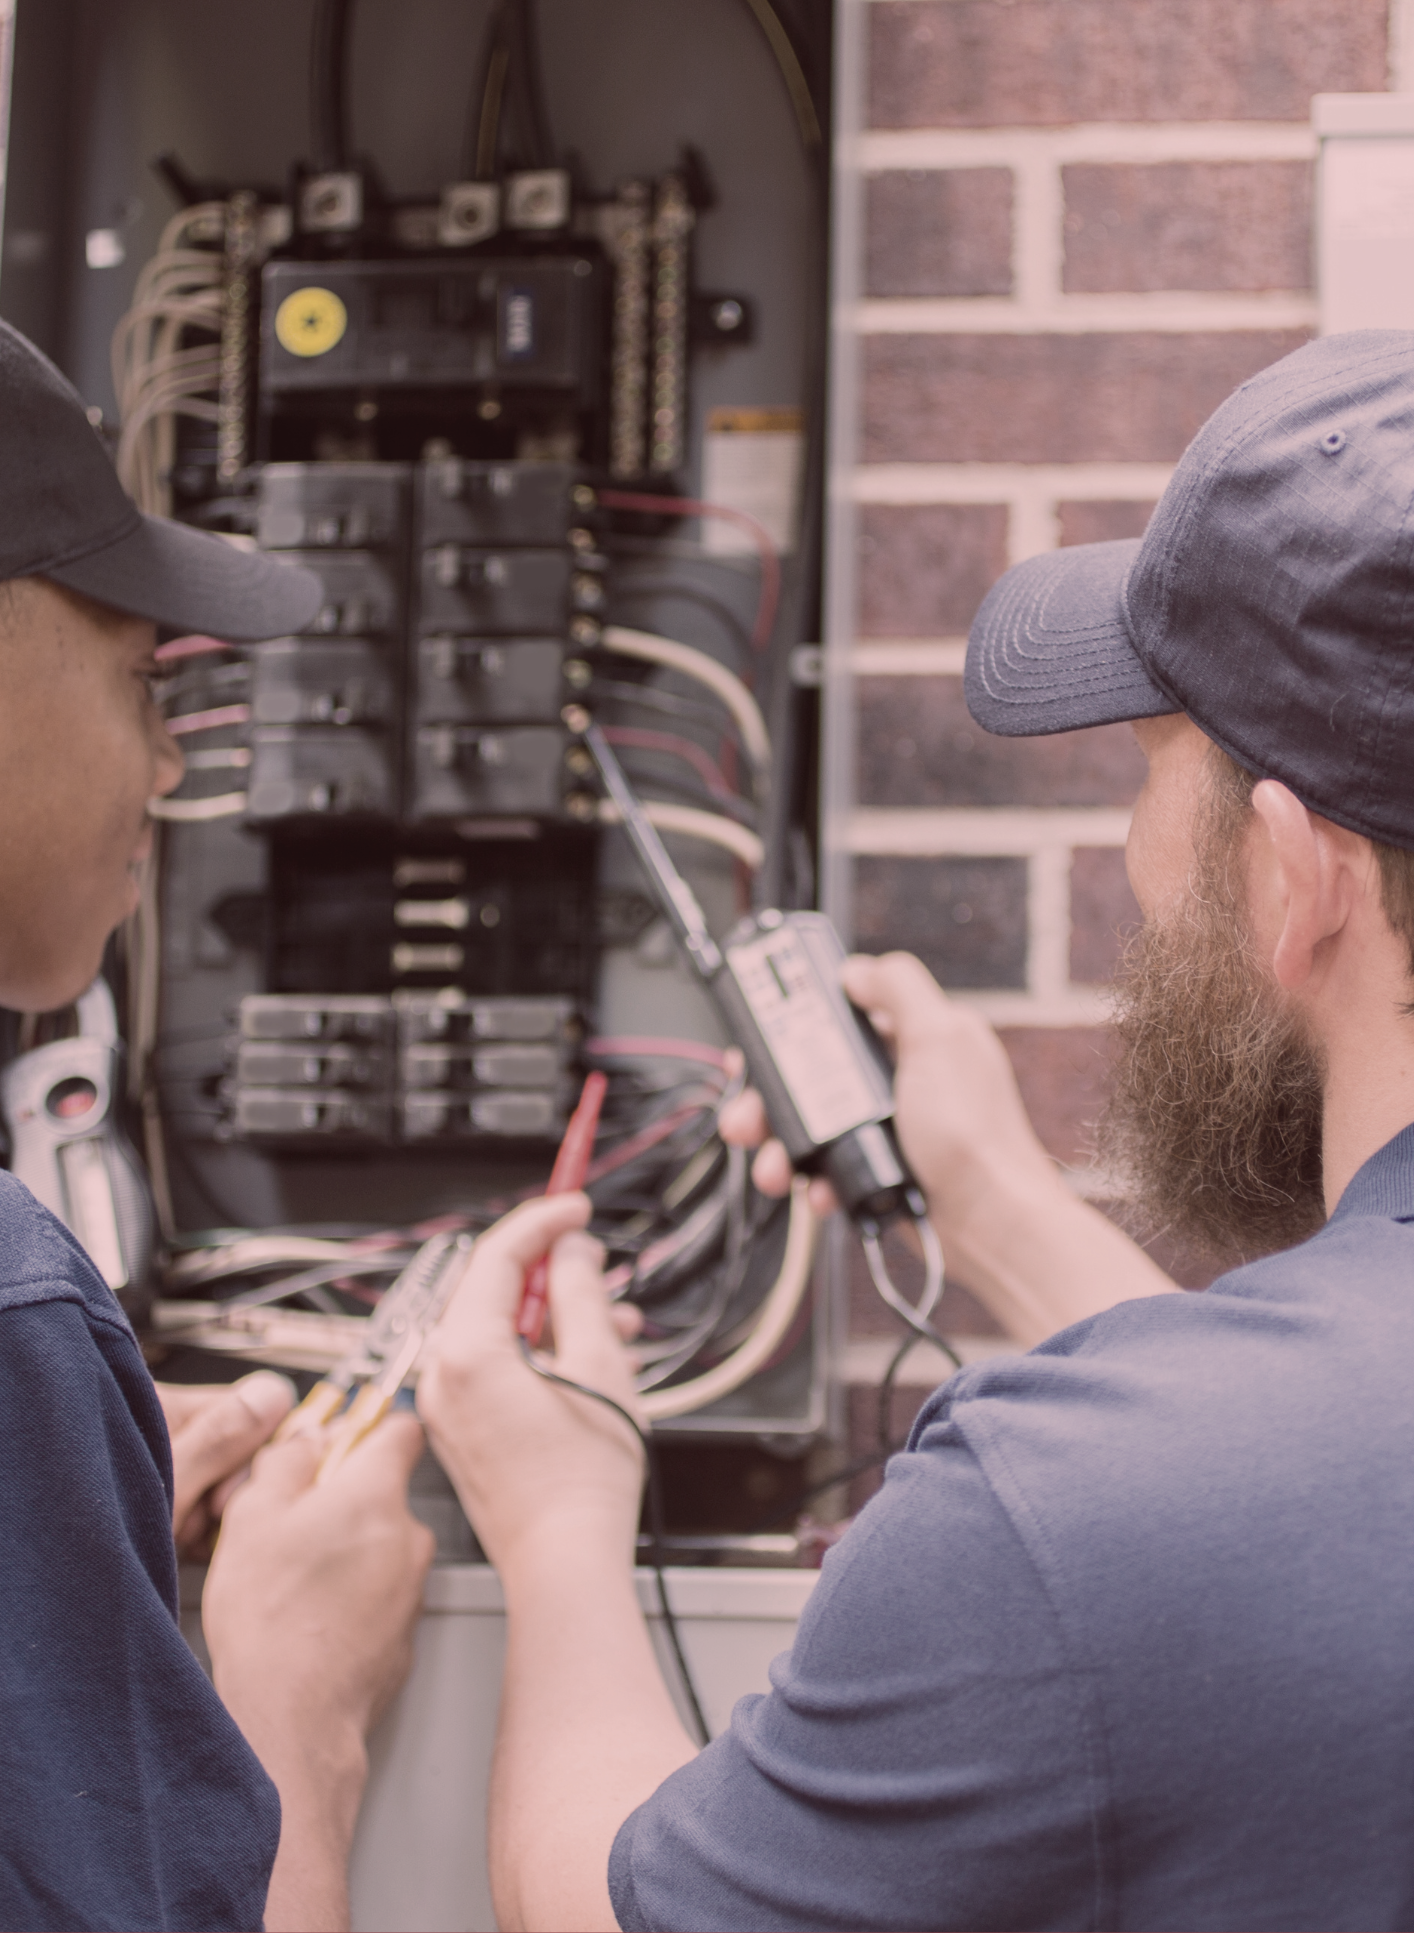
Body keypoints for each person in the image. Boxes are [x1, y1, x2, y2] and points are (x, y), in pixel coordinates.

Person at [417, 328, 1414, 1930]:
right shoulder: (1197, 1494)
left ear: (1294, 879)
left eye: (1153, 768)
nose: (1136, 858)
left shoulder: (1056, 1518)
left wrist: (553, 1520)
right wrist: (997, 1206)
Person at [0, 319, 434, 1932]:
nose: (169, 764)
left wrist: (68, 1501)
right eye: (136, 682)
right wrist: (288, 1716)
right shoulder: (16, 1309)